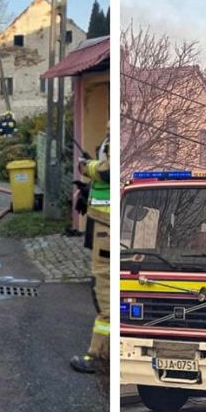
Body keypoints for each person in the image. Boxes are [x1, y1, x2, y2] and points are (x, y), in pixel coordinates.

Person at [70, 125, 111, 374]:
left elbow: (107, 173)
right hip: (102, 221)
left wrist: (87, 167)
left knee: (105, 285)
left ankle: (99, 355)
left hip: (107, 226)